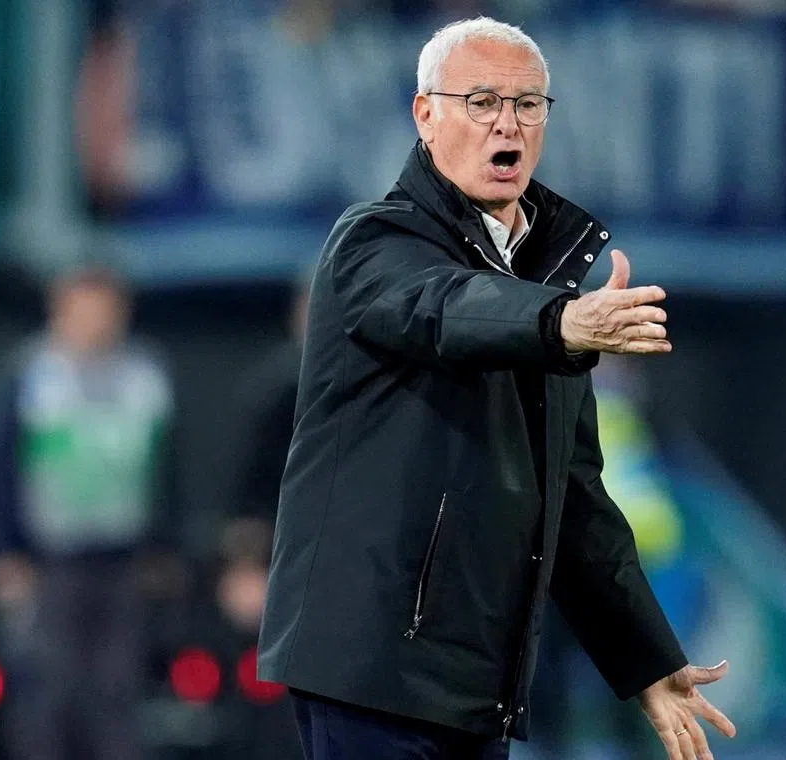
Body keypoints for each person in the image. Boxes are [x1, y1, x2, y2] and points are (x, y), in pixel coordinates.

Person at [257, 17, 736, 760]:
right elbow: (447, 307)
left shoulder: (545, 289)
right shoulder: (374, 242)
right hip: (371, 664)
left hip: (477, 681)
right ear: (426, 115)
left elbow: (574, 502)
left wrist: (647, 661)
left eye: (527, 103)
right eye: (480, 101)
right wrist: (563, 322)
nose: (506, 122)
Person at [0, 265, 179, 760]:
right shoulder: (30, 377)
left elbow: (166, 469)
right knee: (50, 690)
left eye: (105, 311)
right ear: (60, 312)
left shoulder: (145, 376)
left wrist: (163, 544)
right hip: (50, 562)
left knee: (118, 689)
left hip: (123, 561)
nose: (96, 323)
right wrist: (4, 549)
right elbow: (2, 469)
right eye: (85, 311)